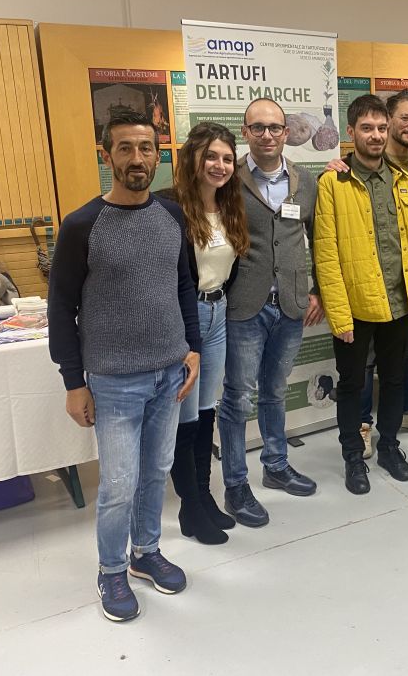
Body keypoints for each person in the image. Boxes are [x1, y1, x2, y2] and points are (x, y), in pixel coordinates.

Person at [47, 111, 200, 622]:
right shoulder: (82, 224)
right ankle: (111, 569)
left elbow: (183, 285)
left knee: (156, 470)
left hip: (169, 373)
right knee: (117, 482)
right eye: (126, 148)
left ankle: (144, 552)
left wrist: (192, 346)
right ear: (105, 154)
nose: (138, 158)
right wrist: (73, 382)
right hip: (114, 379)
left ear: (160, 154)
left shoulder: (173, 215)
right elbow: (61, 306)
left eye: (147, 148)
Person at [314, 94, 408, 494]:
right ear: (351, 132)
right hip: (357, 305)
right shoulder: (334, 181)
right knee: (351, 383)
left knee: (395, 380)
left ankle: (391, 448)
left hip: (400, 302)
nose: (377, 135)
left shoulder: (402, 179)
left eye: (382, 128)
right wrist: (339, 315)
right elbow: (326, 254)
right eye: (367, 128)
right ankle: (352, 456)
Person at [217, 98, 323, 528]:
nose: (267, 135)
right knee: (237, 398)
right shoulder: (227, 180)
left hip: (292, 306)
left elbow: (316, 238)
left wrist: (314, 289)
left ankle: (276, 466)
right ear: (245, 132)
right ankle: (236, 485)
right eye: (257, 128)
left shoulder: (306, 182)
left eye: (275, 128)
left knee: (275, 392)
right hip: (245, 305)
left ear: (287, 133)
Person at [165, 123, 248, 545]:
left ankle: (205, 497)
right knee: (185, 418)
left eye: (227, 158)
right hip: (185, 318)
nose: (219, 165)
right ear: (193, 159)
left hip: (218, 312)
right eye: (211, 156)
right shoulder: (169, 208)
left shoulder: (230, 206)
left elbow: (228, 268)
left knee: (206, 412)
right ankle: (190, 505)